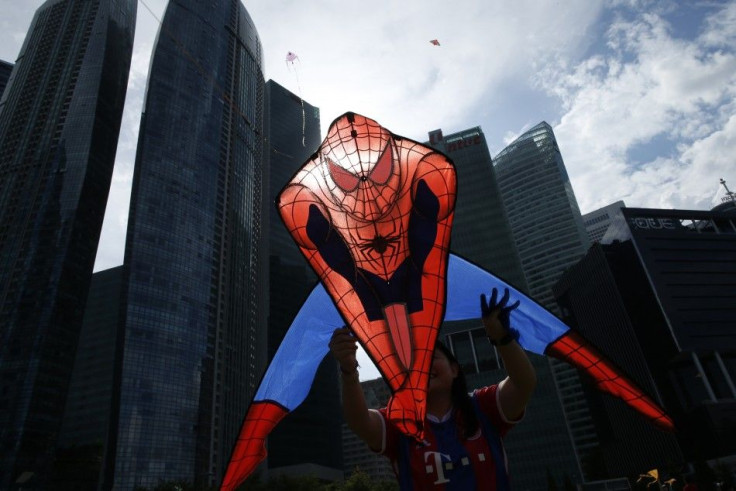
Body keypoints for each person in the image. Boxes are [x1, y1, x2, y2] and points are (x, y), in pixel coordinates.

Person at [329, 287, 536, 490]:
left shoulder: (482, 406)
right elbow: (360, 421)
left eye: (431, 358)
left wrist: (502, 338)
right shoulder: (399, 421)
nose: (422, 367)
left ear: (454, 369)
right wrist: (348, 369)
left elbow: (522, 383)